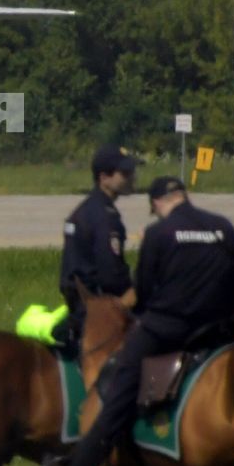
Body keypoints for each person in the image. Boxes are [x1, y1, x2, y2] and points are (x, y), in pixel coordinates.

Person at [43, 175, 234, 466]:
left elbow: (144, 295)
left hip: (169, 330)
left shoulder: (159, 233)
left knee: (117, 389)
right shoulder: (223, 227)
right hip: (218, 328)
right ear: (185, 195)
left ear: (155, 204)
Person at [57, 145, 138, 346]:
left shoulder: (86, 209)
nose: (132, 177)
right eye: (125, 173)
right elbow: (111, 274)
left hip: (80, 304)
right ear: (104, 178)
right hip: (100, 306)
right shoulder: (104, 218)